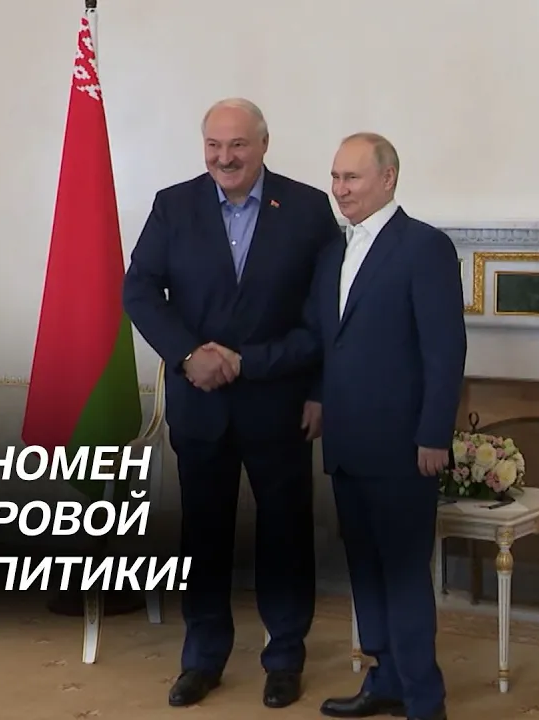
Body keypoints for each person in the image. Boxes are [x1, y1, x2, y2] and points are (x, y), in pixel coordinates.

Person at [121, 98, 340, 709]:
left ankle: (285, 656)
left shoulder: (307, 209)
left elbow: (325, 315)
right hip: (201, 405)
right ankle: (203, 658)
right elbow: (139, 290)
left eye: (238, 144)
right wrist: (188, 354)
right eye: (214, 145)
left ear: (263, 144)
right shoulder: (174, 205)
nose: (225, 157)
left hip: (281, 402)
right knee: (203, 537)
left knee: (286, 535)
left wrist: (318, 391)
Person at [315, 133, 466, 720]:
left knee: (403, 575)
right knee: (366, 571)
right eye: (335, 177)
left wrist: (434, 434)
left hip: (405, 447)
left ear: (387, 179)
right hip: (347, 443)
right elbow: (328, 341)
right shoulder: (333, 251)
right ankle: (385, 680)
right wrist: (315, 400)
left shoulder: (424, 247)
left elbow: (444, 350)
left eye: (351, 177)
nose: (340, 189)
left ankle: (425, 699)